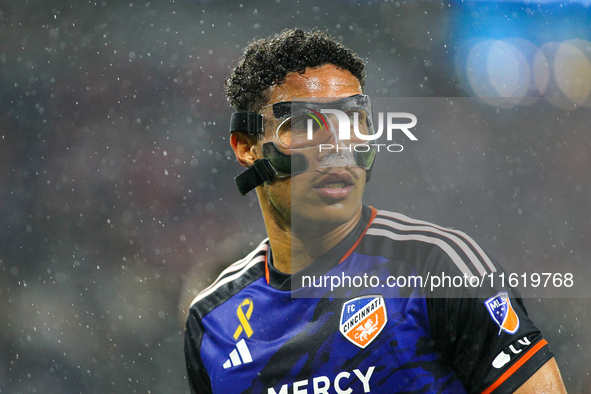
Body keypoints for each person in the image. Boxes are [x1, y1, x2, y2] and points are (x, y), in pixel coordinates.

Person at [184, 28, 567, 394]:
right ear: (247, 148)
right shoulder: (211, 321)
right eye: (302, 125)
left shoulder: (436, 266)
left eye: (353, 122)